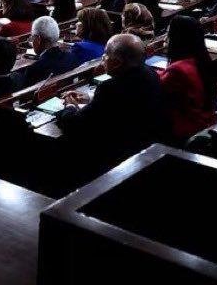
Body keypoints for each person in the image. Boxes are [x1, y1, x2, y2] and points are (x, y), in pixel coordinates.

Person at [55, 34, 164, 177]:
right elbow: (121, 104)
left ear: (117, 62)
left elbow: (74, 125)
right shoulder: (151, 74)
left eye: (106, 54)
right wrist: (91, 99)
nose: (103, 58)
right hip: (145, 148)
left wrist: (70, 107)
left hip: (114, 161)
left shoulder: (110, 89)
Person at [157, 16, 217, 140]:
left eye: (169, 33)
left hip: (186, 133)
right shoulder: (202, 62)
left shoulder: (178, 70)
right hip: (206, 125)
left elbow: (157, 87)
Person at [13, 16, 78, 89]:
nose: (31, 41)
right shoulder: (71, 57)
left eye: (32, 38)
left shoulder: (35, 69)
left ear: (38, 39)